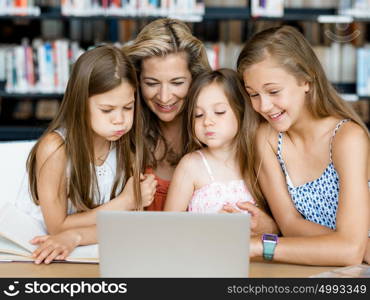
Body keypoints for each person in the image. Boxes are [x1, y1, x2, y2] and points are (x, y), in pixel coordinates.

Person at [237, 25, 369, 266]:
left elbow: (350, 252)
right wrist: (345, 245)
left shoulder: (347, 138)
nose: (263, 106)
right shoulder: (266, 138)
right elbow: (289, 224)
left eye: (273, 91)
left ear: (306, 80)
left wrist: (260, 245)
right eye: (253, 94)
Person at [22, 45, 157, 264]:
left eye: (128, 107)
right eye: (107, 110)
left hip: (91, 250)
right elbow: (56, 226)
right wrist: (125, 202)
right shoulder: (55, 148)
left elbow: (130, 225)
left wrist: (76, 235)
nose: (120, 120)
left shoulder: (129, 146)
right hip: (38, 252)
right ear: (80, 104)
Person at [122, 18, 211, 211]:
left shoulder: (216, 134)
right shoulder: (123, 133)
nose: (164, 97)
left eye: (177, 83)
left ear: (195, 79)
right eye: (152, 83)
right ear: (137, 81)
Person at [164, 69, 257, 214]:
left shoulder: (258, 161)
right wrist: (210, 223)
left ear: (241, 110)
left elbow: (277, 224)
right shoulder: (190, 165)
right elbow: (169, 223)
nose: (207, 121)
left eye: (219, 112)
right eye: (198, 115)